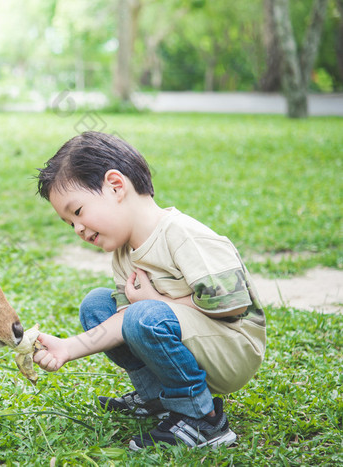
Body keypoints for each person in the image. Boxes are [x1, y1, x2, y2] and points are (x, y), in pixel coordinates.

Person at [33, 131, 266, 450]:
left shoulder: (182, 235)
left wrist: (157, 302)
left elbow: (234, 304)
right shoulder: (123, 254)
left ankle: (204, 419)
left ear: (116, 186)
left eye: (77, 212)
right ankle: (158, 398)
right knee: (98, 305)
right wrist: (68, 347)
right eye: (68, 223)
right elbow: (125, 318)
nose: (78, 229)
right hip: (188, 337)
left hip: (231, 347)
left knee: (144, 314)